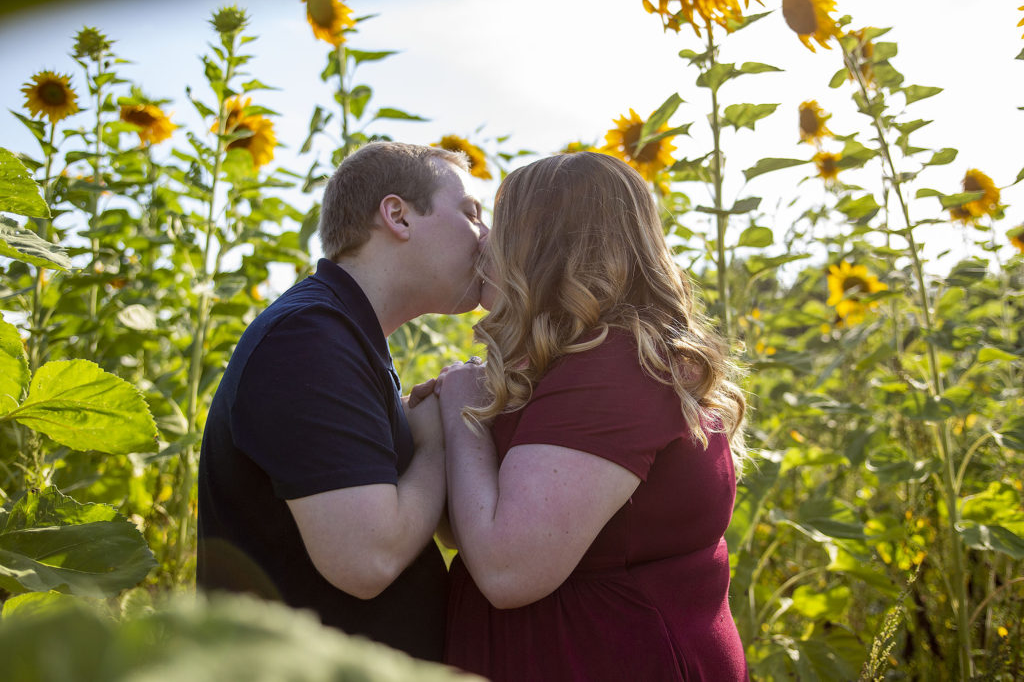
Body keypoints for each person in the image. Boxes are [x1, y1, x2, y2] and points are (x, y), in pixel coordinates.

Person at [434, 151, 749, 680]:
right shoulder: (584, 358)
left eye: (502, 223)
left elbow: (508, 569)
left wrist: (462, 412)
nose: (483, 239)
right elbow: (469, 524)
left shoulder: (615, 372)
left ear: (548, 246)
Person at [196, 141, 489, 662]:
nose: (485, 234)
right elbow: (367, 559)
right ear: (397, 215)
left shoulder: (341, 333)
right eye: (470, 212)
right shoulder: (309, 338)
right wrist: (439, 440)